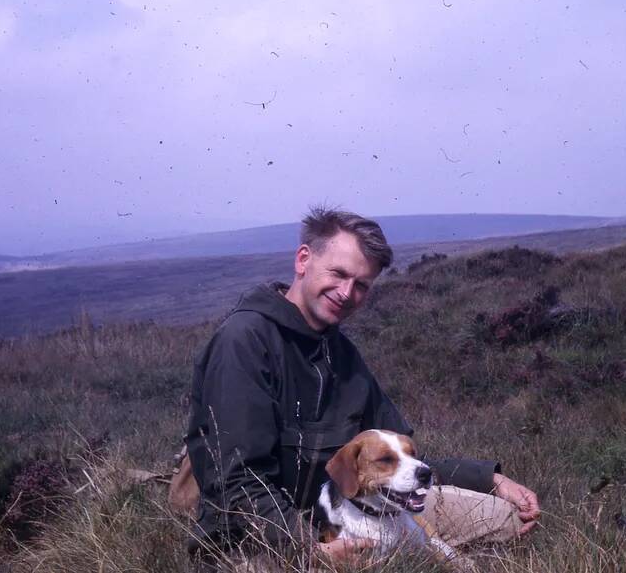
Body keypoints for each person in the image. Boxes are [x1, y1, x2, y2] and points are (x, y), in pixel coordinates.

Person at [185, 207, 540, 564]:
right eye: (338, 274)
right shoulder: (244, 342)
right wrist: (312, 548)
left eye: (361, 286)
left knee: (504, 518)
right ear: (303, 259)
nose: (346, 293)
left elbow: (400, 462)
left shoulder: (341, 354)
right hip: (263, 538)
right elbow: (237, 485)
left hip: (352, 513)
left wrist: (488, 478)